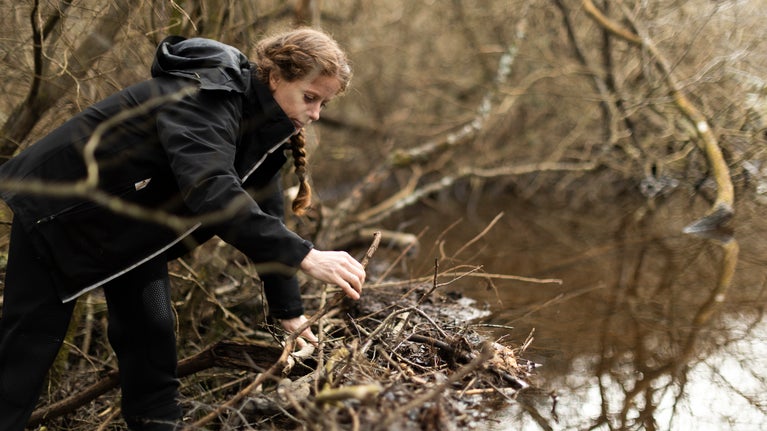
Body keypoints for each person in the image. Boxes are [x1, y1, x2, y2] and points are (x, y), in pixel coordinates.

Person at [0, 27, 366, 430]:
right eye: (309, 97)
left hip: (130, 233)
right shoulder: (206, 97)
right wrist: (305, 255)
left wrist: (289, 310)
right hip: (58, 214)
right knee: (28, 350)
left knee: (152, 333)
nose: (315, 113)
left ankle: (158, 425)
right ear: (276, 77)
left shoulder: (264, 128)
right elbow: (210, 189)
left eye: (323, 103)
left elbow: (267, 209)